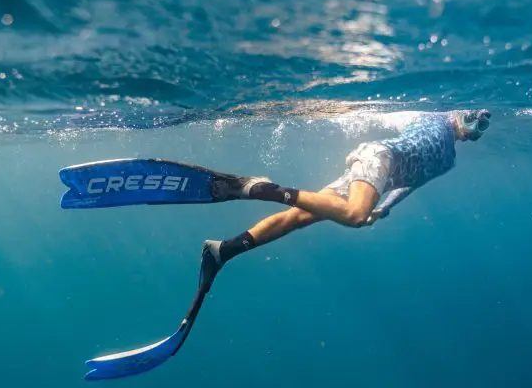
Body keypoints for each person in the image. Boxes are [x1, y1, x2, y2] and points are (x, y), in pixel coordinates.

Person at [201, 109, 492, 277]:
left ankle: (225, 249)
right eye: (471, 119)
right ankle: (266, 190)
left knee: (302, 216)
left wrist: (384, 208)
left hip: (378, 179)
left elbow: (411, 185)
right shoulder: (432, 118)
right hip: (379, 158)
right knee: (355, 215)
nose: (472, 127)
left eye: (478, 127)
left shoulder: (448, 161)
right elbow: (396, 123)